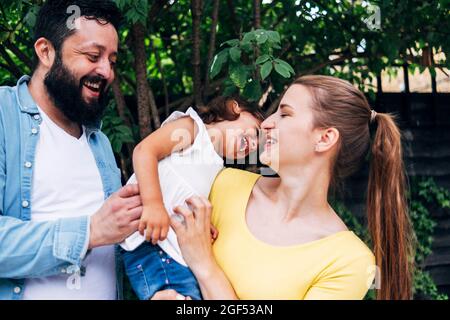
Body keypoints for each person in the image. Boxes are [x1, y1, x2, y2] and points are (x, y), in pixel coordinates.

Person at [153, 75, 414, 300]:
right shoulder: (222, 184)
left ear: (325, 138)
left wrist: (204, 264)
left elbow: (197, 264)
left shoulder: (347, 262)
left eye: (285, 114)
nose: (266, 123)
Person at [0, 0, 143, 300]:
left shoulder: (99, 143)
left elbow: (117, 240)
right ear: (46, 51)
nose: (106, 72)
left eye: (113, 61)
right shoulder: (4, 116)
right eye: (93, 56)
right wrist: (89, 232)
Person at [120, 96, 263, 300]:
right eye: (256, 132)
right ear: (235, 107)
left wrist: (202, 225)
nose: (254, 144)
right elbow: (144, 151)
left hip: (174, 250)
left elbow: (185, 193)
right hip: (152, 241)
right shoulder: (193, 129)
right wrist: (153, 205)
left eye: (258, 145)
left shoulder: (216, 166)